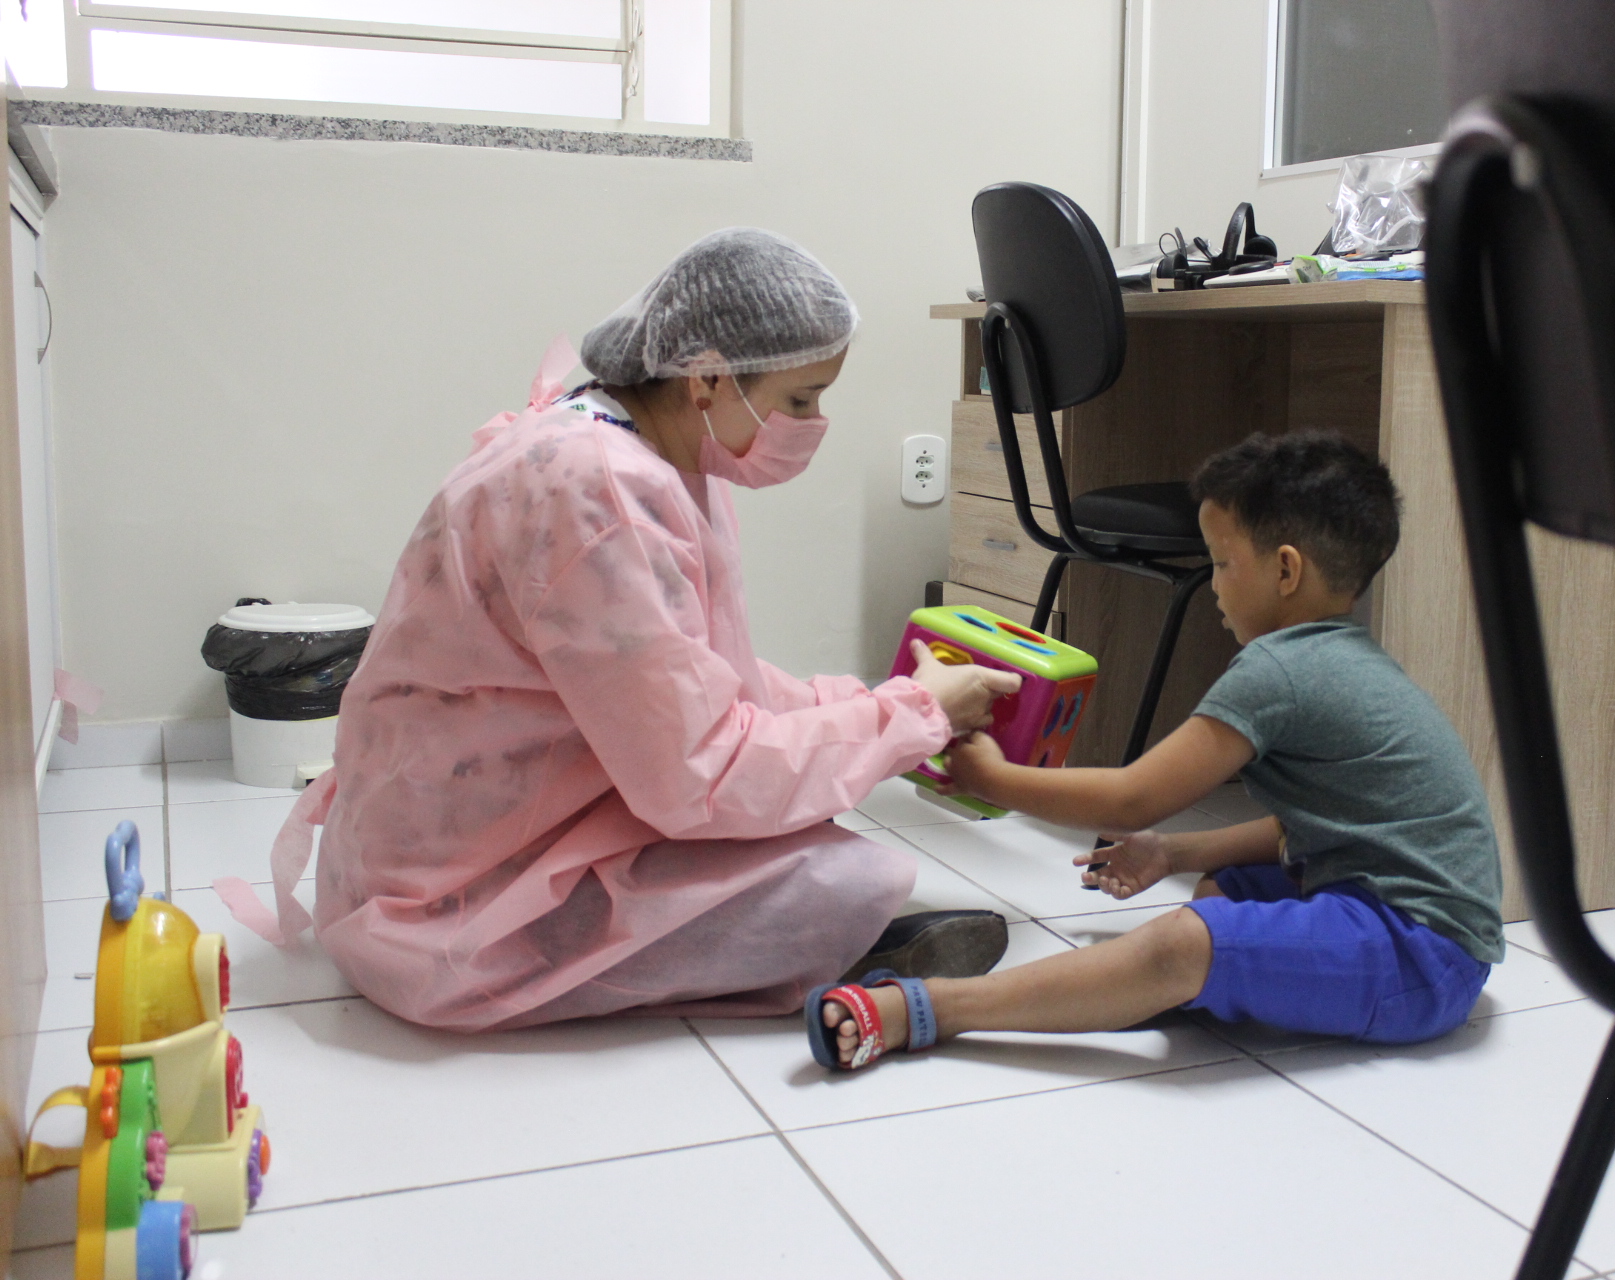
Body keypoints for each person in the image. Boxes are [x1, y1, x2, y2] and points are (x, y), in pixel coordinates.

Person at [218, 228, 1019, 1032]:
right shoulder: (603, 493)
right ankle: (839, 951)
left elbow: (698, 678)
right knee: (842, 877)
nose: (813, 424)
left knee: (810, 811)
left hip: (452, 833)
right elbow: (700, 774)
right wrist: (913, 716)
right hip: (444, 901)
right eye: (800, 399)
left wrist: (873, 703)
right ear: (707, 378)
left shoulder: (625, 448)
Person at [811, 431, 1505, 1070]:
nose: (1213, 588)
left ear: (1286, 571)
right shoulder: (1342, 658)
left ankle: (929, 1010)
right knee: (1219, 897)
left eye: (1222, 564)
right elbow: (1317, 829)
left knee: (1183, 942)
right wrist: (1175, 854)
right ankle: (1158, 983)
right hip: (1383, 903)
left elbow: (1135, 794)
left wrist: (996, 781)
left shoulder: (1282, 671)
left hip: (1425, 955)